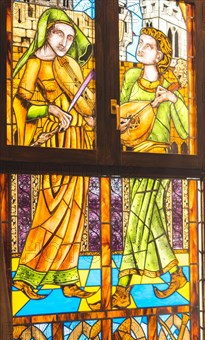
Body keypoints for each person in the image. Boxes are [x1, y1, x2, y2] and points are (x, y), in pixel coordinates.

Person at [12, 8, 95, 299]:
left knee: (75, 210)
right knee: (50, 208)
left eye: (70, 37)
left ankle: (67, 277)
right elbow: (21, 103)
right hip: (53, 140)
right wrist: (49, 108)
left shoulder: (70, 64)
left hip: (78, 139)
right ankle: (27, 275)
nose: (64, 41)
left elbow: (84, 102)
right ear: (46, 32)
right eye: (59, 33)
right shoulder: (35, 63)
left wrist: (91, 119)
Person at [112, 27, 189, 308]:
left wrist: (173, 100)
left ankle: (123, 285)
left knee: (136, 219)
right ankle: (175, 272)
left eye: (148, 45)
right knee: (150, 218)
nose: (140, 47)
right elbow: (122, 113)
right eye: (140, 43)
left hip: (158, 158)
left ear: (159, 55)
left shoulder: (169, 88)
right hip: (134, 154)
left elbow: (185, 127)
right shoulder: (131, 77)